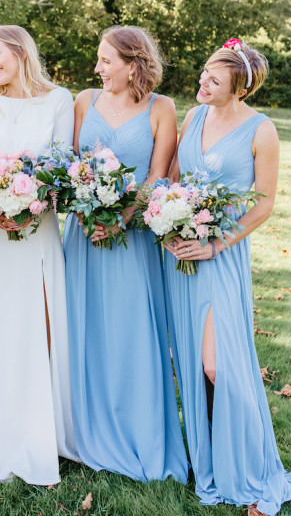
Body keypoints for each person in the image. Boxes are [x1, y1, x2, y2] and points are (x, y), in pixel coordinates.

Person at [164, 39, 291, 516]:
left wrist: (215, 242)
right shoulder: (194, 117)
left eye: (214, 80)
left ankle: (252, 466)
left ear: (239, 87)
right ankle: (213, 460)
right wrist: (167, 220)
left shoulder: (262, 130)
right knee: (195, 369)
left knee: (219, 366)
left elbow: (264, 202)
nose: (202, 82)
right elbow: (175, 178)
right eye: (203, 73)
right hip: (181, 256)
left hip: (221, 257)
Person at [63, 25, 188, 482]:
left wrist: (121, 217)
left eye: (105, 61)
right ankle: (83, 429)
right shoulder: (84, 101)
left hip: (132, 238)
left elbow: (157, 177)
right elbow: (69, 164)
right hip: (83, 236)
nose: (97, 69)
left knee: (132, 330)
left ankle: (137, 428)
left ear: (133, 64)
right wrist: (85, 205)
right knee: (85, 325)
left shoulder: (162, 108)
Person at [0, 25, 78, 485]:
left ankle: (39, 431)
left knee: (36, 324)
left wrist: (32, 207)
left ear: (19, 50)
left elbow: (62, 164)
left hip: (39, 230)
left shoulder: (58, 99)